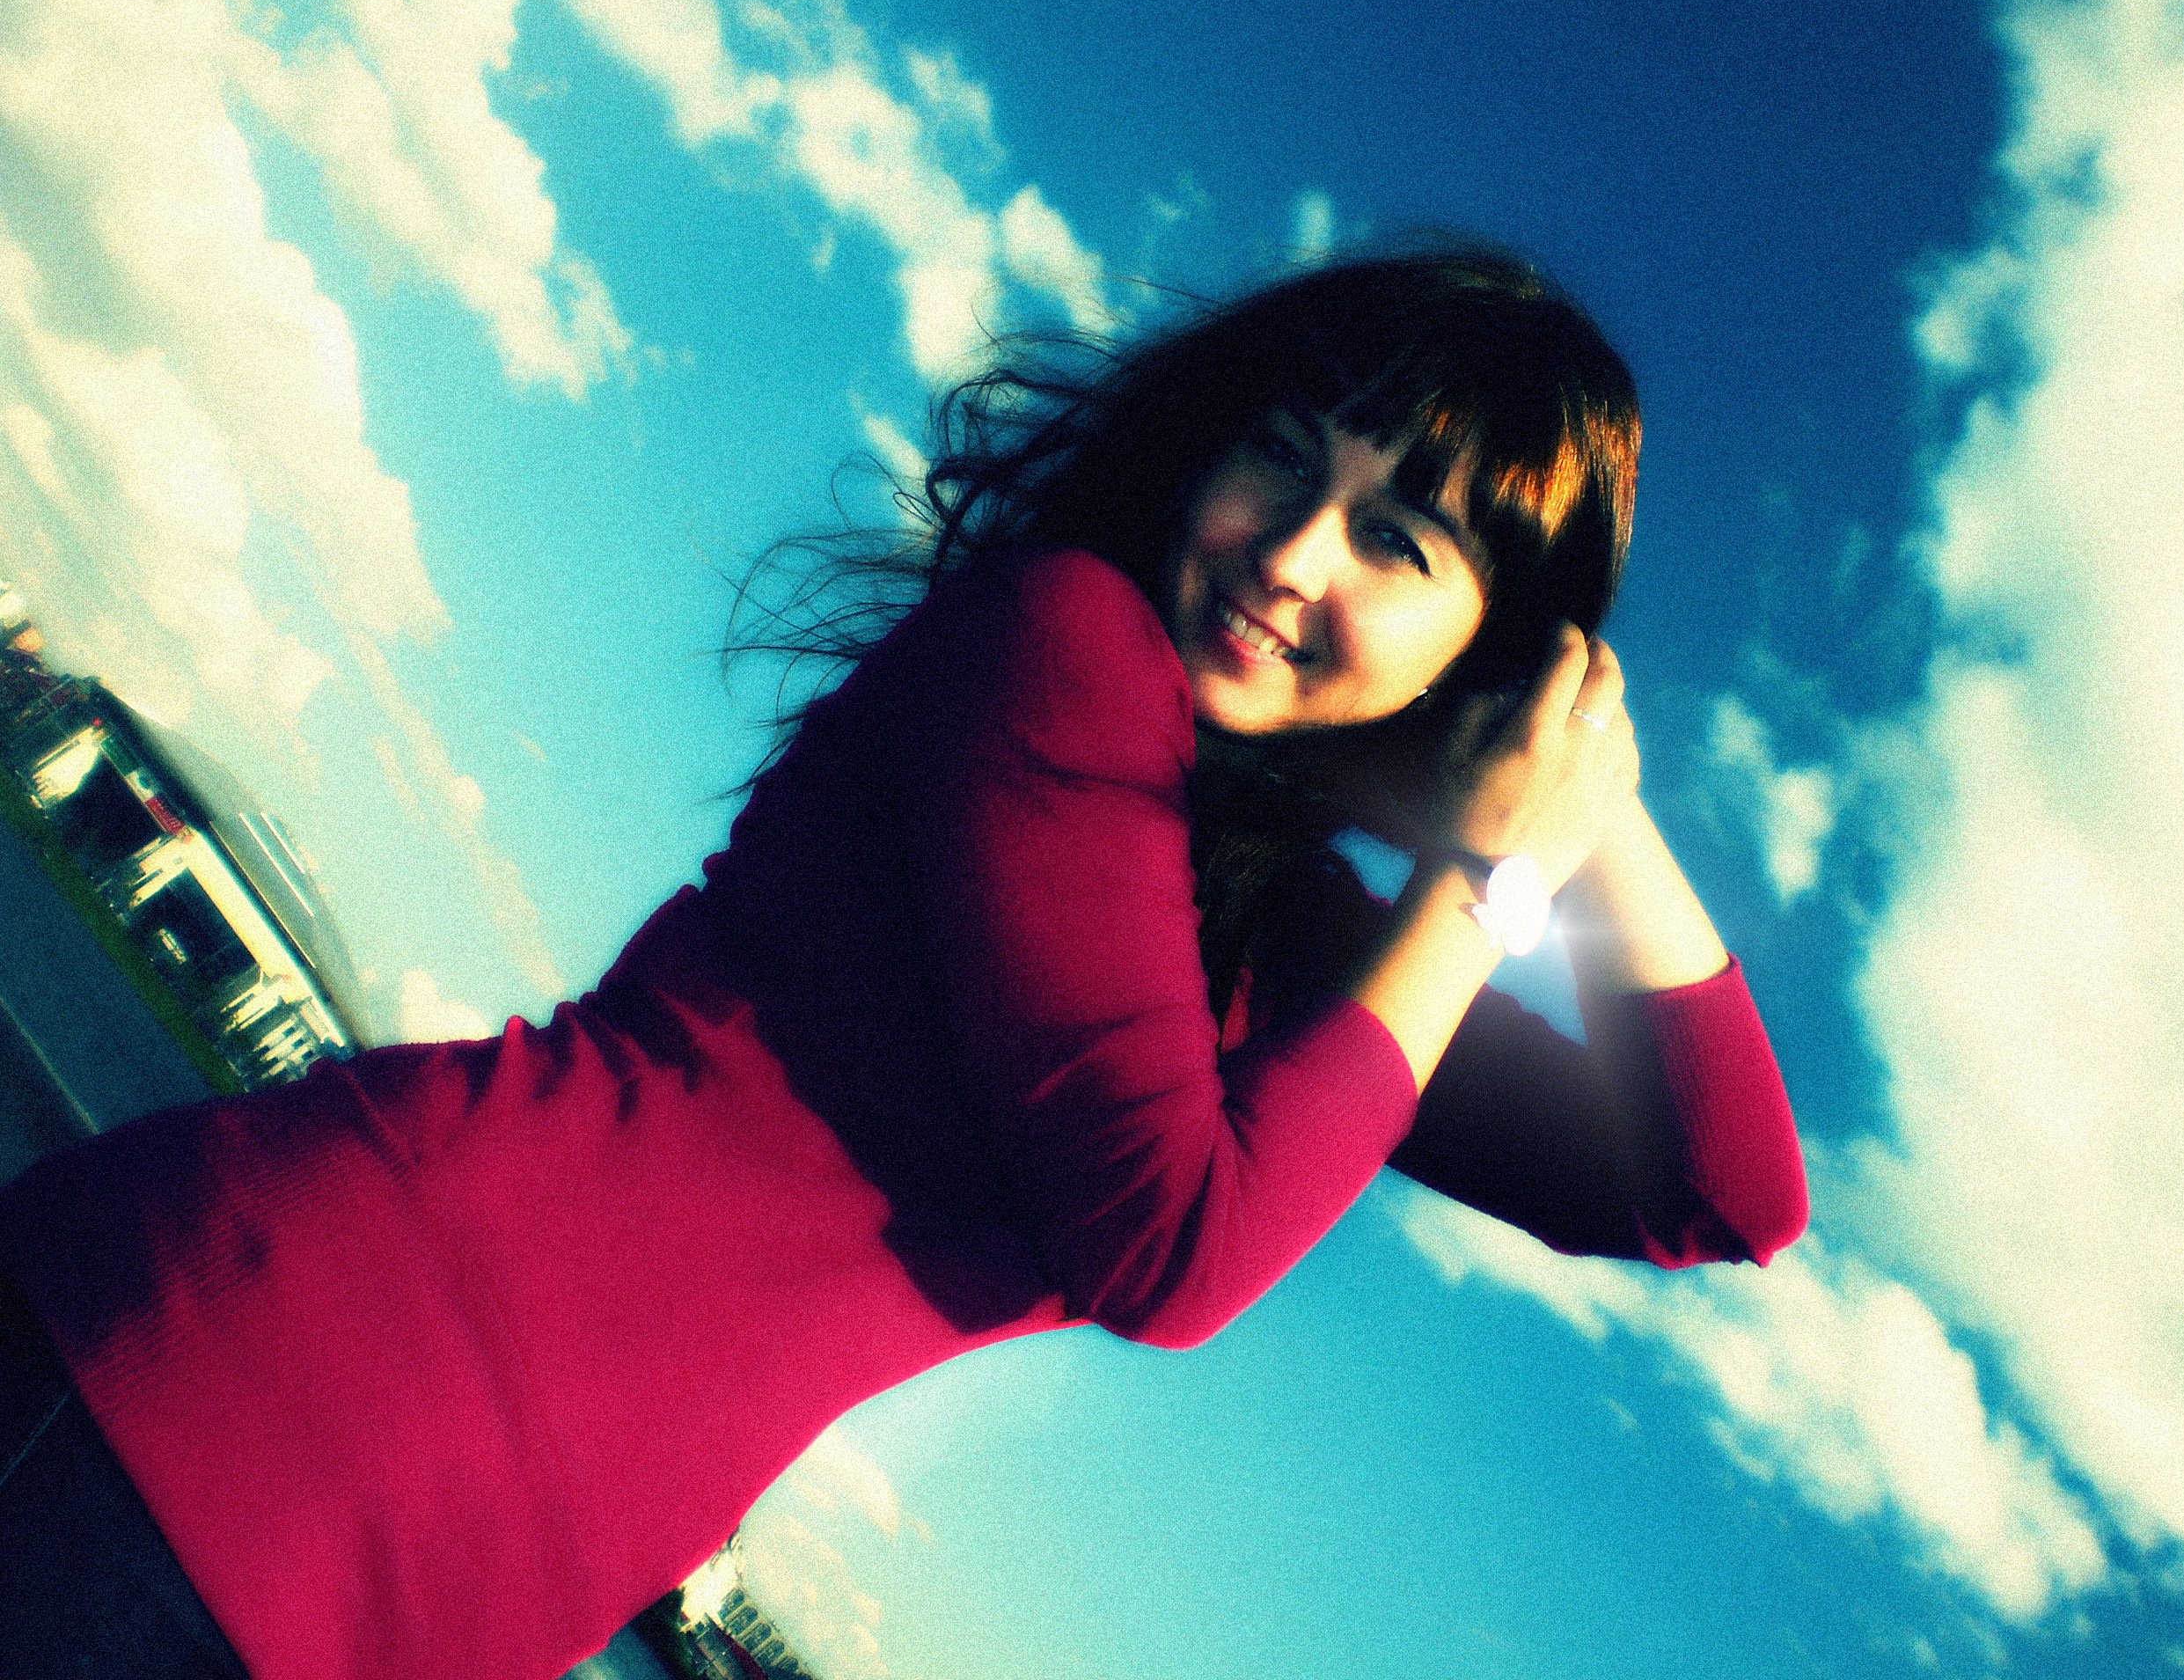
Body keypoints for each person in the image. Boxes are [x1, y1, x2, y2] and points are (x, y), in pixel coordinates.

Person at [0, 245, 1806, 1680]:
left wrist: (1581, 796)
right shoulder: (1065, 646)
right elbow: (1172, 1249)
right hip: (254, 1388)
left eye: (1396, 540)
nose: (1290, 550)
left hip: (429, 1567)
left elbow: (1721, 1194)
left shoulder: (1312, 959)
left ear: (1487, 657)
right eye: (1282, 452)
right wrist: (1488, 873)